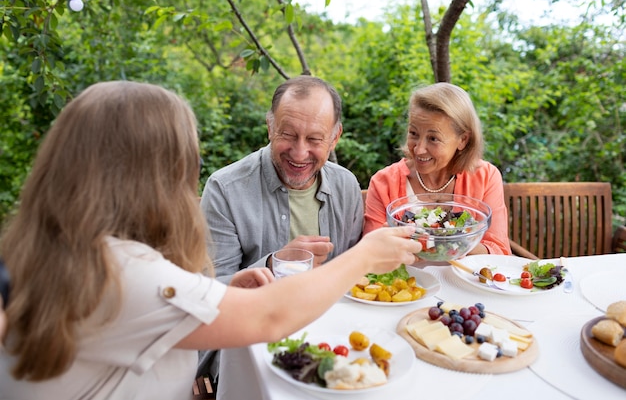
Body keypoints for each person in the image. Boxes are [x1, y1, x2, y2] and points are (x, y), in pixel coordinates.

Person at [0, 80, 421, 400]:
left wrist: (220, 290)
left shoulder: (57, 249)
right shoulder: (119, 273)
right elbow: (265, 319)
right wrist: (366, 255)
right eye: (186, 160)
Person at [200, 75, 363, 283]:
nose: (299, 153)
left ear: (334, 139)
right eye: (288, 135)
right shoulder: (224, 190)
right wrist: (274, 264)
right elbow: (212, 289)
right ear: (270, 127)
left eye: (314, 139)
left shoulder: (346, 186)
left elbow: (353, 275)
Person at [363, 82, 511, 256]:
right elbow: (371, 254)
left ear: (462, 140)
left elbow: (499, 251)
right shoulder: (384, 182)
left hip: (462, 282)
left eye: (433, 138)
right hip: (405, 281)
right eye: (413, 133)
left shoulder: (485, 177)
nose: (419, 149)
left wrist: (448, 241)